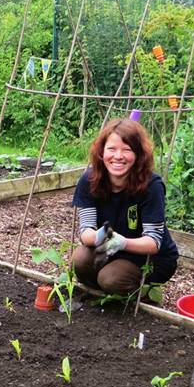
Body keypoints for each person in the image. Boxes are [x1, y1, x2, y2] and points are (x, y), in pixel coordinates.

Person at [71, 118, 178, 295]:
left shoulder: (151, 186)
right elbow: (85, 231)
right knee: (80, 260)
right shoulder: (89, 181)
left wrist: (122, 242)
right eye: (111, 149)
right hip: (110, 248)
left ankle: (144, 293)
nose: (118, 156)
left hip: (148, 258)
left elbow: (154, 242)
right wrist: (99, 236)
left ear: (138, 155)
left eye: (127, 150)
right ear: (101, 152)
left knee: (111, 279)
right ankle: (100, 293)